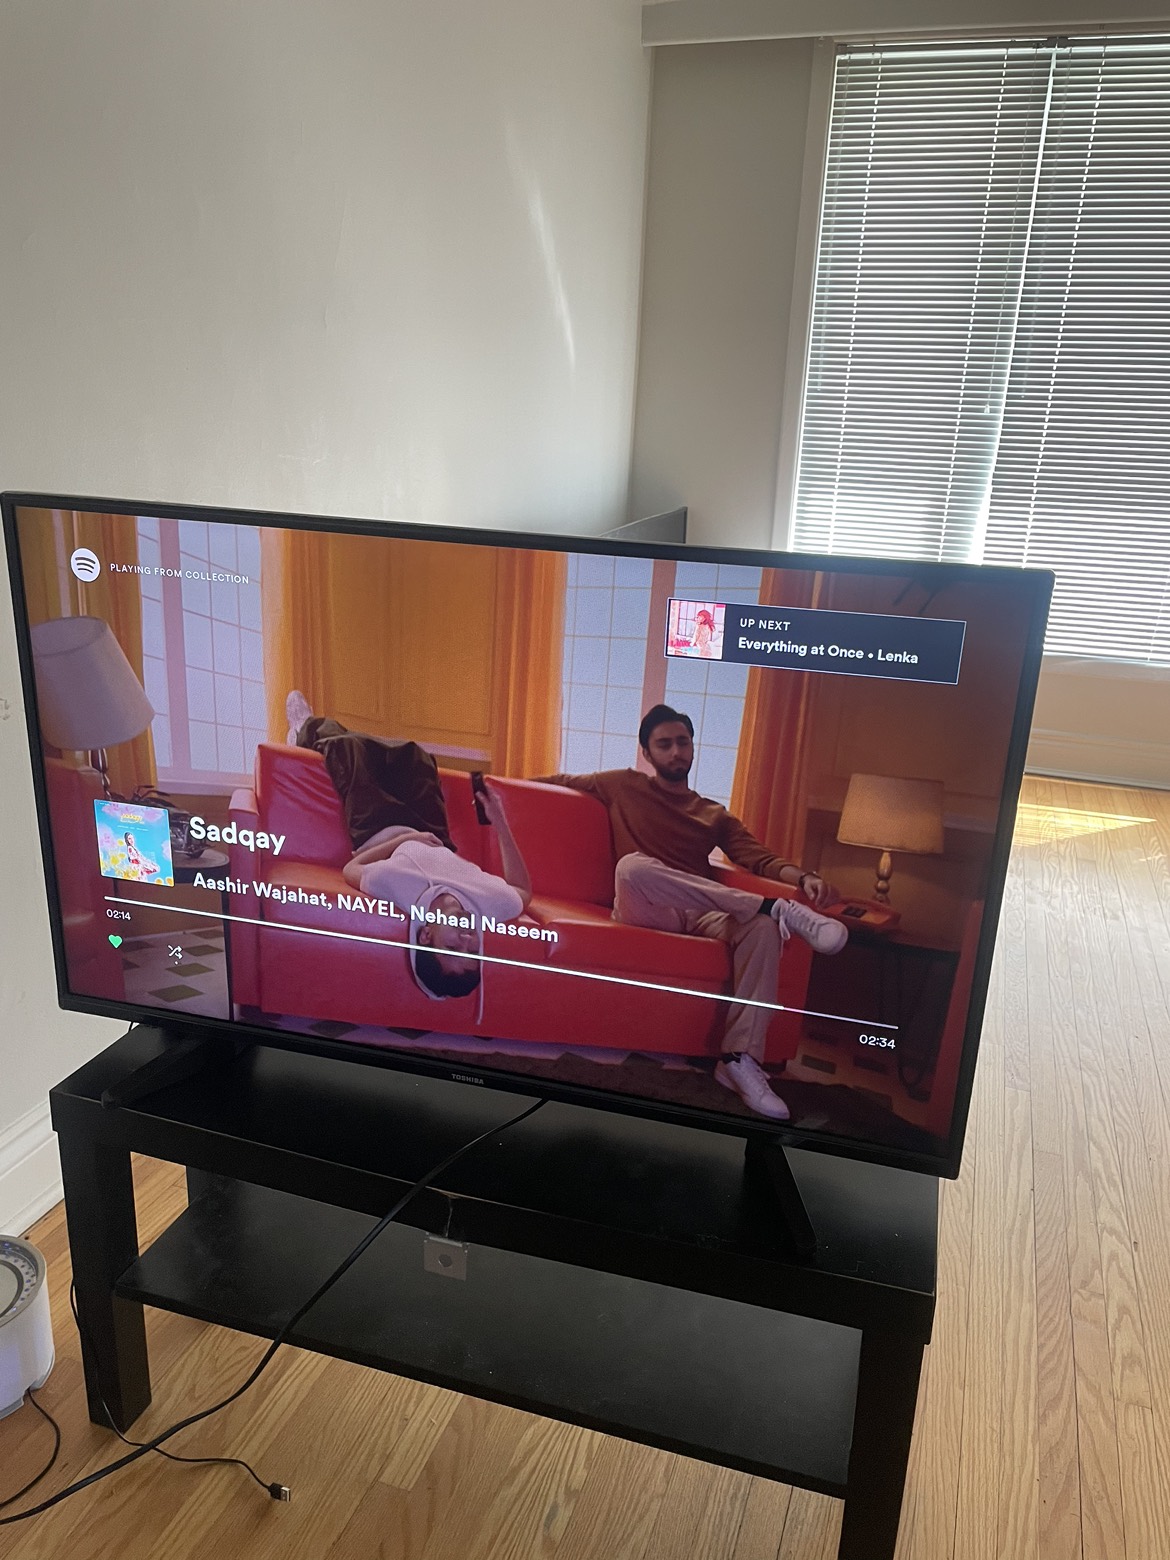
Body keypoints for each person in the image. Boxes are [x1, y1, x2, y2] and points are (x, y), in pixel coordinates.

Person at [535, 704, 847, 1121]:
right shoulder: (621, 784)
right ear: (647, 752)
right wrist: (483, 787)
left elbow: (760, 858)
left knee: (762, 929)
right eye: (664, 744)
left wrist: (804, 877)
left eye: (683, 742)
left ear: (693, 747)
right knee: (632, 867)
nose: (676, 751)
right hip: (646, 907)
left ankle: (738, 1060)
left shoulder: (712, 813)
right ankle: (771, 907)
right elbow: (553, 784)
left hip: (702, 912)